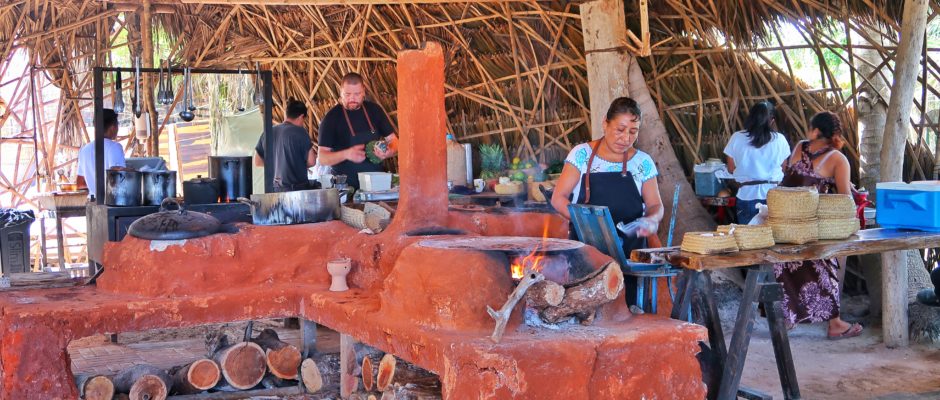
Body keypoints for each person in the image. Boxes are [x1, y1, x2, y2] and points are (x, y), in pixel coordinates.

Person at [551, 97, 664, 305]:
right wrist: (587, 222)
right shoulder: (582, 155)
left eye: (633, 131)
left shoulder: (643, 162)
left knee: (627, 309)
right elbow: (558, 199)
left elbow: (656, 205)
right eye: (620, 129)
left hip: (631, 253)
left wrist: (651, 220)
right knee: (586, 307)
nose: (626, 138)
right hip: (588, 250)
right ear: (605, 123)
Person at [775, 111, 863, 339]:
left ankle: (790, 318)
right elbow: (845, 200)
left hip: (782, 224)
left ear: (815, 131)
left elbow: (789, 174)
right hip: (810, 228)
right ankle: (835, 323)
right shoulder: (838, 159)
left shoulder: (800, 147)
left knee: (788, 267)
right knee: (831, 263)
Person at [316, 73, 398, 190]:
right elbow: (323, 157)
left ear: (363, 91)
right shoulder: (331, 118)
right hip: (345, 188)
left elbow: (394, 141)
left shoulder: (375, 111)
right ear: (341, 92)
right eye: (347, 94)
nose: (352, 99)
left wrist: (388, 152)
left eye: (357, 94)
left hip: (376, 186)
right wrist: (346, 154)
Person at [723, 101, 791, 224]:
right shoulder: (780, 140)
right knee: (773, 238)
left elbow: (731, 168)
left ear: (751, 117)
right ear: (772, 120)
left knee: (749, 239)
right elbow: (783, 168)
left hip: (746, 196)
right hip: (773, 196)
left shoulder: (736, 138)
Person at [255, 99, 316, 192]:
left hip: (275, 190)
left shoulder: (269, 132)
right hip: (298, 190)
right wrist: (298, 165)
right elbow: (312, 162)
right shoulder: (301, 132)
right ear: (301, 117)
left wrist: (276, 165)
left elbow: (257, 161)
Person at [77, 108, 125, 195]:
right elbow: (119, 178)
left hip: (92, 202)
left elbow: (80, 184)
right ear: (113, 127)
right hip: (111, 203)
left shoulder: (84, 150)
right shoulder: (114, 147)